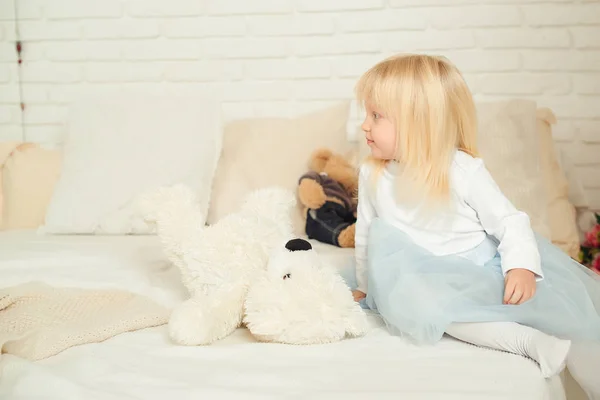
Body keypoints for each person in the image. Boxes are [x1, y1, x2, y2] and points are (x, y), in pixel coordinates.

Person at [351, 53, 600, 394]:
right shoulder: (372, 172)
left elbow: (510, 222)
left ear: (418, 122)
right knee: (439, 313)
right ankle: (527, 343)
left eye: (376, 115)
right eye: (366, 113)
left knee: (564, 317)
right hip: (420, 277)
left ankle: (555, 347)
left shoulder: (460, 169)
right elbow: (366, 233)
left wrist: (521, 268)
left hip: (479, 269)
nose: (364, 125)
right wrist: (367, 285)